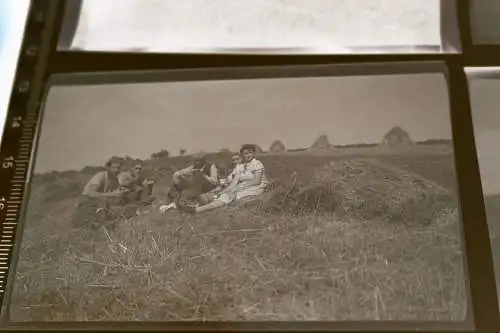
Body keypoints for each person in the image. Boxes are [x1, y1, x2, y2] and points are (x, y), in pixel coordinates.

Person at [177, 144, 269, 214]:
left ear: (253, 153)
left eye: (250, 153)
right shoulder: (242, 166)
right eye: (246, 153)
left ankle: (196, 210)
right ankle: (194, 206)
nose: (248, 155)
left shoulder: (257, 164)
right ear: (242, 155)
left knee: (228, 196)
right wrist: (228, 188)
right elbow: (234, 180)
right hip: (245, 186)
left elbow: (256, 181)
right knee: (225, 194)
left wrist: (238, 187)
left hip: (257, 187)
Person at [72, 157, 125, 228]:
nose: (116, 170)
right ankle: (102, 222)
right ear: (108, 168)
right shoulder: (101, 176)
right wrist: (113, 194)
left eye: (118, 168)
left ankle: (98, 222)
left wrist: (121, 192)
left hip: (97, 202)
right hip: (86, 200)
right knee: (103, 201)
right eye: (114, 168)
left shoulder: (115, 179)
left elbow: (116, 194)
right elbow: (91, 193)